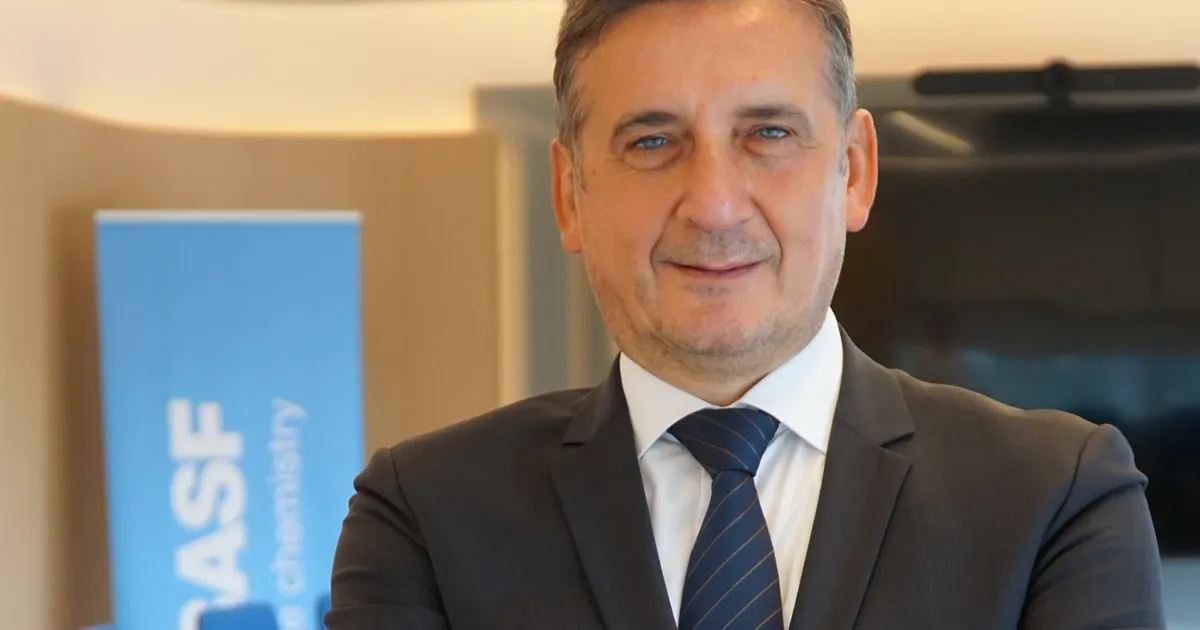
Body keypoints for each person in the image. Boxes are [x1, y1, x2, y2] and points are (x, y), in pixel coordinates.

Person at [325, 0, 1166, 627]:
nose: (715, 204)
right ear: (569, 195)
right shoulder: (425, 514)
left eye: (767, 133)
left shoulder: (1055, 498)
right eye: (651, 141)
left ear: (855, 172)